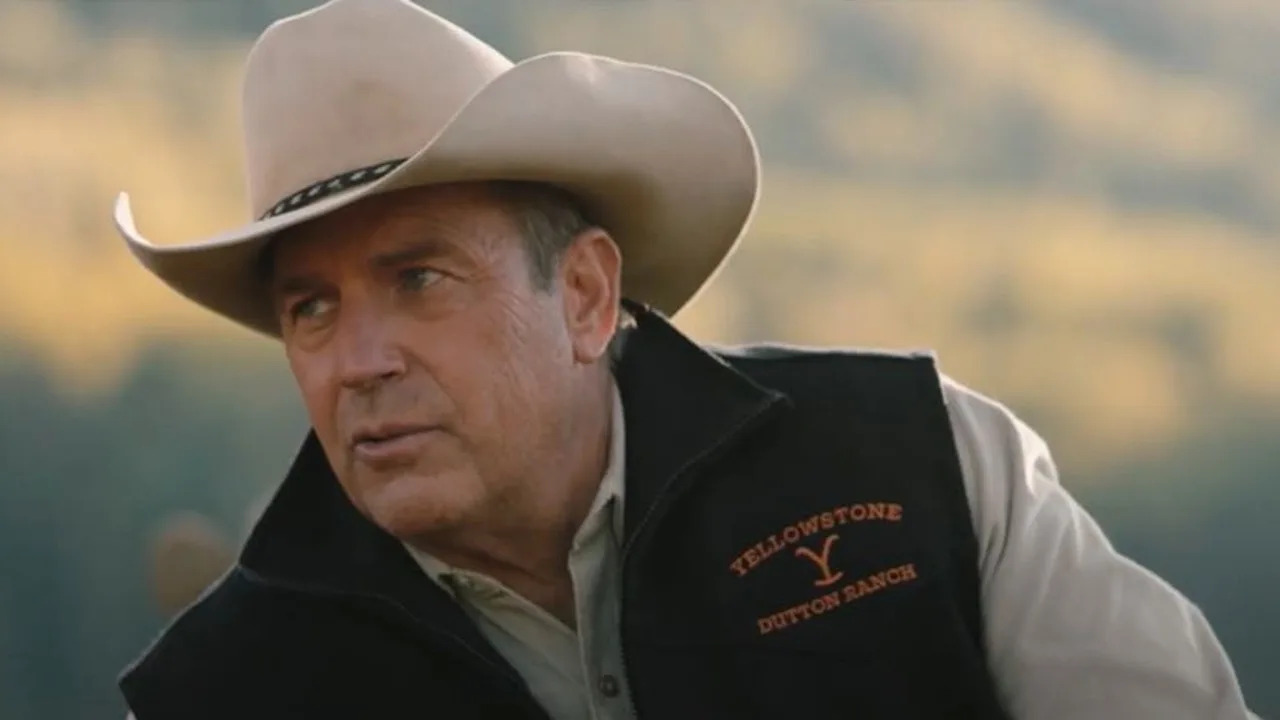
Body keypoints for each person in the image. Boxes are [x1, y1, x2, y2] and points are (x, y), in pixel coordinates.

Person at [112, 1, 1260, 718]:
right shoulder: (224, 691)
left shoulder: (927, 464)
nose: (357, 360)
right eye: (309, 309)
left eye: (419, 280)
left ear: (583, 293)